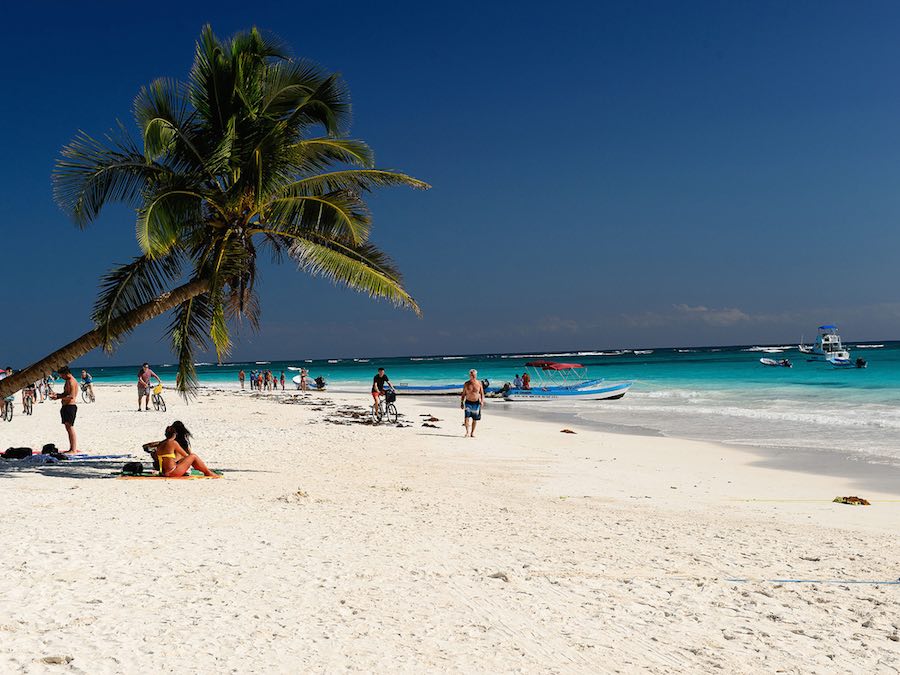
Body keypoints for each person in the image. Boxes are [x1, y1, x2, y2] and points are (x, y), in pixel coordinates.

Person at [142, 421, 219, 477]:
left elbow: (146, 447)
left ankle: (207, 472)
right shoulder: (174, 443)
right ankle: (208, 472)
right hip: (172, 472)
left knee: (187, 458)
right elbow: (187, 456)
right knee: (193, 456)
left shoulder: (160, 443)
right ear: (174, 434)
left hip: (163, 472)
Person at [50, 366, 79, 453]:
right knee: (68, 428)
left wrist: (58, 397)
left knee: (70, 428)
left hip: (70, 406)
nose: (61, 377)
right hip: (66, 406)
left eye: (62, 375)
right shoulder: (67, 381)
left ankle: (73, 449)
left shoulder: (71, 381)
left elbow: (71, 396)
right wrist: (57, 394)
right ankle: (71, 448)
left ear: (66, 373)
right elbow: (66, 393)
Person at [460, 369, 485, 438]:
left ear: (476, 375)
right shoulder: (466, 383)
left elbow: (482, 393)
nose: (473, 376)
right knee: (466, 417)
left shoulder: (479, 383)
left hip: (476, 403)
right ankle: (467, 432)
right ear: (470, 375)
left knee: (475, 419)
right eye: (472, 375)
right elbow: (463, 394)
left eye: (474, 375)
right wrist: (462, 402)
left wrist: (482, 401)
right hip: (468, 402)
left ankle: (472, 433)